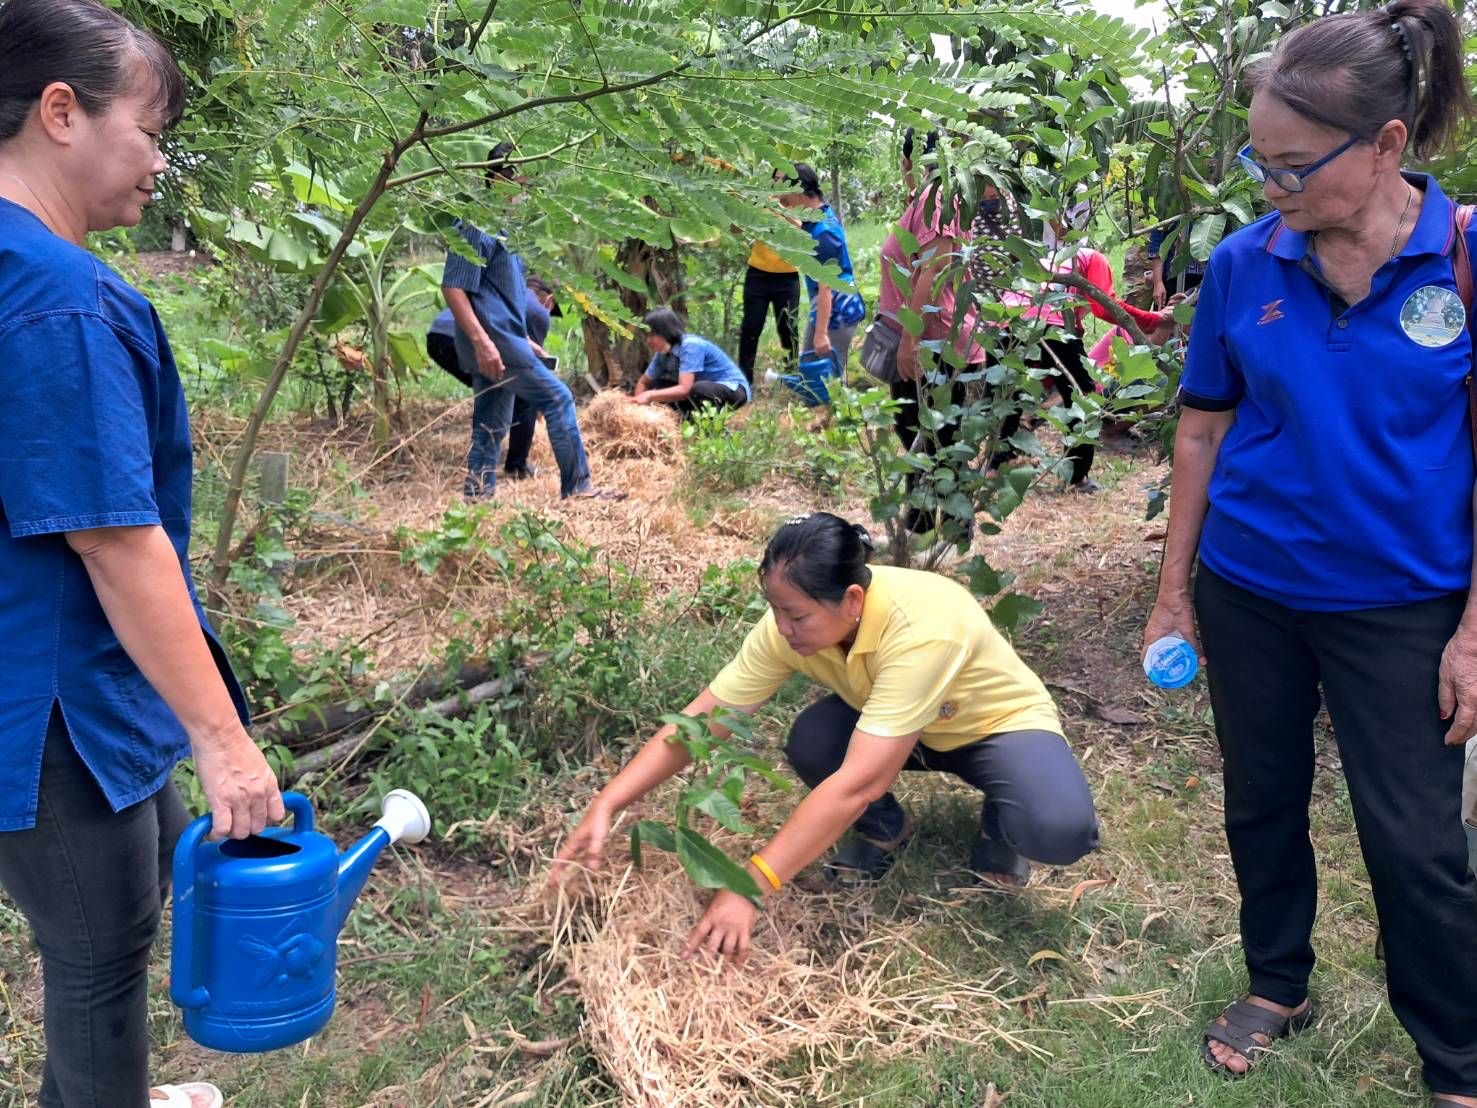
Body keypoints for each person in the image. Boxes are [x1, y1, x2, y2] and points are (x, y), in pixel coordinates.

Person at [1143, 2, 1477, 1100]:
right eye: (1258, 158)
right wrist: (1172, 597)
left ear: (1386, 146)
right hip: (1251, 589)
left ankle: (1454, 1052)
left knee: (1416, 841)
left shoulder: (1463, 259)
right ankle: (1277, 977)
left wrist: (1473, 628)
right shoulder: (1246, 265)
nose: (1267, 186)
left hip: (1402, 602)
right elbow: (1201, 427)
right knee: (1262, 795)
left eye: (1292, 164)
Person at [0, 2, 286, 1105]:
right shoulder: (58, 298)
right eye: (151, 130)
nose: (159, 162)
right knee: (97, 960)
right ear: (61, 113)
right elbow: (118, 541)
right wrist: (223, 740)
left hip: (62, 688)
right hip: (53, 705)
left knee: (120, 913)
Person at [551, 513, 1100, 961]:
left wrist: (750, 883)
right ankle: (888, 828)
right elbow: (704, 719)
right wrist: (609, 801)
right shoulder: (787, 627)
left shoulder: (922, 626)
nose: (783, 630)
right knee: (813, 742)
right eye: (775, 610)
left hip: (989, 727)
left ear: (854, 600)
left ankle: (1004, 817)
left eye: (797, 616)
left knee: (1057, 829)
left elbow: (858, 782)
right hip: (898, 724)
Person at [442, 145, 622, 500]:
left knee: (491, 424)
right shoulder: (477, 223)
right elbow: (453, 287)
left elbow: (499, 296)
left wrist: (524, 337)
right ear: (501, 178)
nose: (529, 186)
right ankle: (578, 486)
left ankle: (477, 499)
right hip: (495, 342)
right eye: (525, 176)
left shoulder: (506, 228)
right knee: (558, 398)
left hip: (506, 339)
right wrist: (484, 342)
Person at [997, 198, 1173, 491]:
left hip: (1007, 320)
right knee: (1083, 397)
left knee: (1014, 393)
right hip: (1047, 322)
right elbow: (1105, 307)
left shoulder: (1051, 258)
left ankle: (999, 463)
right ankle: (1077, 475)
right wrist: (1153, 319)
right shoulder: (1093, 257)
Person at [777, 163, 867, 374]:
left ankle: (840, 406)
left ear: (797, 190)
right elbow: (807, 233)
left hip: (837, 309)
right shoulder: (819, 217)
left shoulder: (824, 232)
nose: (782, 197)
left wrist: (821, 333)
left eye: (784, 191)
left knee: (824, 379)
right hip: (829, 307)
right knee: (816, 375)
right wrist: (779, 211)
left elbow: (825, 287)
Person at [633, 307, 751, 416]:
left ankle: (710, 424)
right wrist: (637, 408)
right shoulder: (662, 354)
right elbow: (643, 383)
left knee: (699, 389)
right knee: (656, 385)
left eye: (652, 335)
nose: (648, 341)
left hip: (732, 389)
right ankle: (687, 418)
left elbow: (684, 389)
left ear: (666, 331)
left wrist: (649, 395)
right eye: (646, 336)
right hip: (697, 392)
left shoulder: (691, 345)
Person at [736, 234, 799, 387]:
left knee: (788, 327)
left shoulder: (800, 209)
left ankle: (792, 376)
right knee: (751, 327)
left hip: (788, 276)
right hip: (757, 274)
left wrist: (783, 210)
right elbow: (736, 227)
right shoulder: (762, 208)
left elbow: (803, 227)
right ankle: (744, 381)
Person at [1147, 218, 1208, 308]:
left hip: (1204, 279)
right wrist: (1158, 282)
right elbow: (1157, 242)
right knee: (1167, 317)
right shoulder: (1172, 207)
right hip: (1171, 277)